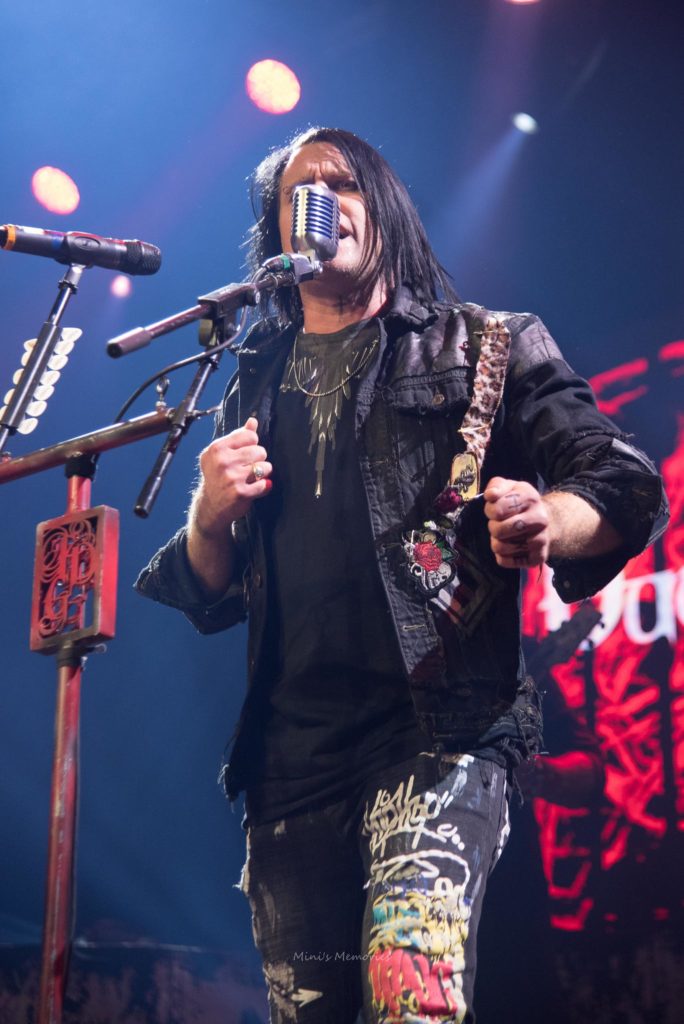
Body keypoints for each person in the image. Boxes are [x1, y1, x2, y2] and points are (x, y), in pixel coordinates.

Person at [135, 127, 668, 1024]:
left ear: (383, 206)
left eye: (341, 183)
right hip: (290, 765)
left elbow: (624, 482)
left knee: (410, 999)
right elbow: (212, 588)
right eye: (299, 191)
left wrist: (551, 519)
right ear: (276, 235)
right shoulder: (252, 380)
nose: (321, 201)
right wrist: (207, 514)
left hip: (438, 737)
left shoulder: (489, 344)